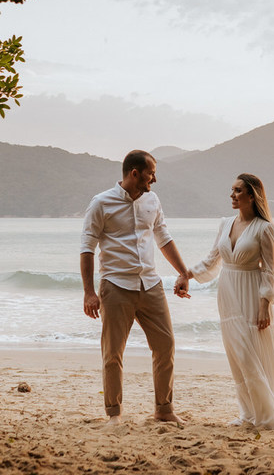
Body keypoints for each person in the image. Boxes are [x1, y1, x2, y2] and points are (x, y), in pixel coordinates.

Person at [176, 173, 274, 432]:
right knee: (237, 356)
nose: (232, 195)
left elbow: (271, 270)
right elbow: (212, 260)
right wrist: (185, 275)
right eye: (232, 190)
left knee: (251, 355)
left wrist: (265, 304)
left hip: (251, 292)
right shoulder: (225, 223)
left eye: (237, 191)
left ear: (251, 195)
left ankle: (268, 416)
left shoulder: (265, 228)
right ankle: (248, 413)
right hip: (227, 292)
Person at [80, 150, 190, 424]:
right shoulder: (101, 203)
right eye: (151, 173)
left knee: (165, 345)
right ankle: (114, 414)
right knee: (113, 352)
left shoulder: (152, 200)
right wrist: (89, 292)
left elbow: (163, 236)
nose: (155, 178)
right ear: (135, 173)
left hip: (151, 283)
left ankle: (164, 410)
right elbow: (87, 248)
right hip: (116, 285)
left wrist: (183, 273)